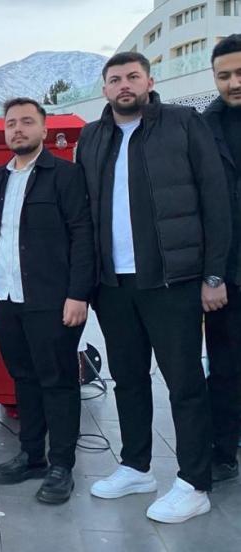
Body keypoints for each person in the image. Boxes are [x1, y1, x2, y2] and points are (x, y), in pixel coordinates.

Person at [76, 52, 231, 523]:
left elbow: (215, 199)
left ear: (149, 81)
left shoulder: (183, 124)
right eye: (115, 79)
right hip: (113, 283)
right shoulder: (92, 136)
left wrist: (213, 274)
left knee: (184, 383)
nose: (124, 85)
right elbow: (84, 213)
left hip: (171, 280)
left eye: (132, 77)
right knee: (128, 379)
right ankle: (135, 466)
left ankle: (194, 483)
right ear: (105, 88)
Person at [0, 98, 95, 504]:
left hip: (52, 299)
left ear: (44, 129)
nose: (18, 129)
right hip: (6, 297)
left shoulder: (65, 175)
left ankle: (61, 464)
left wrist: (78, 293)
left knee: (57, 381)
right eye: (11, 123)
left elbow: (83, 236)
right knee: (23, 379)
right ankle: (31, 456)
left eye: (27, 122)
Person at [203, 34, 241, 483]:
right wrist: (211, 275)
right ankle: (223, 450)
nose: (234, 82)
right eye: (224, 75)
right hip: (226, 274)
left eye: (240, 73)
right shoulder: (205, 126)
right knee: (225, 368)